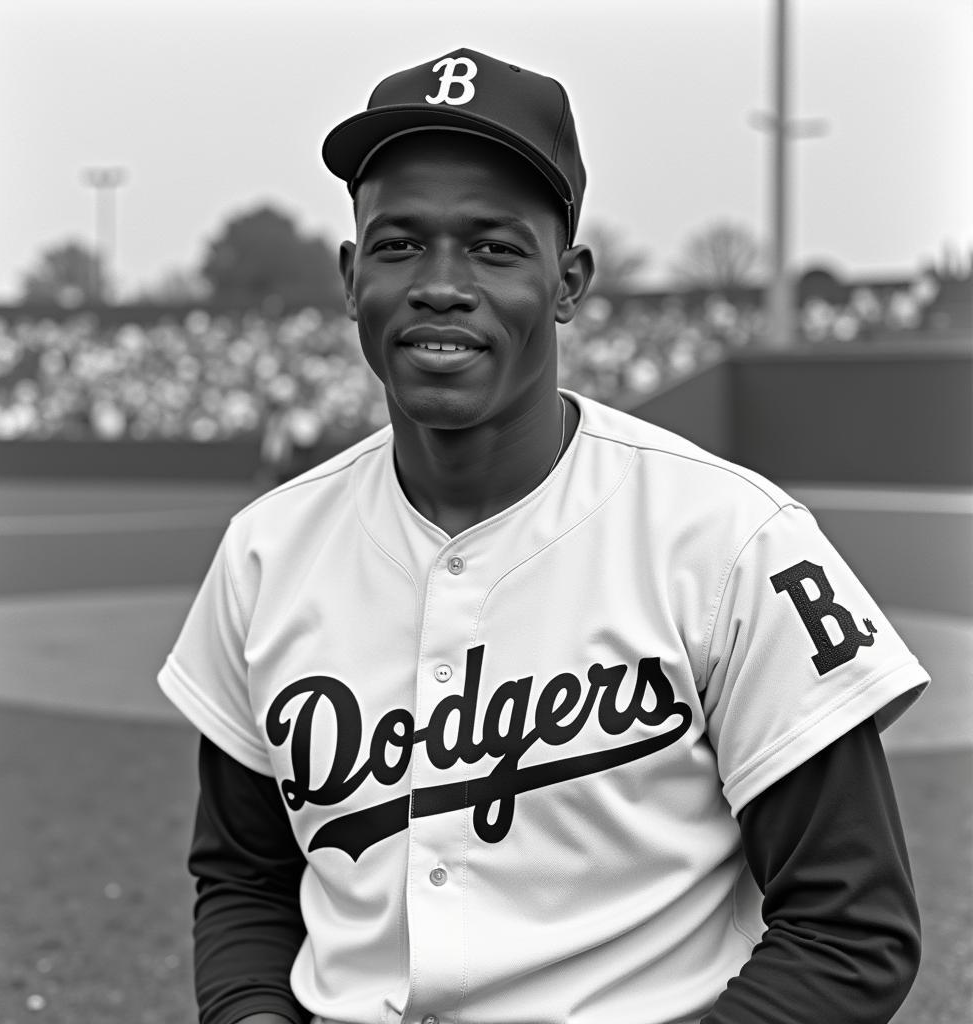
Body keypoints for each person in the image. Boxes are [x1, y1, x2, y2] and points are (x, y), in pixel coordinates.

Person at [158, 47, 929, 1024]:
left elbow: (850, 927)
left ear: (567, 280)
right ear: (352, 278)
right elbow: (246, 882)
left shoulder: (732, 539)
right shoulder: (265, 549)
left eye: (492, 246)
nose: (441, 283)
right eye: (399, 245)